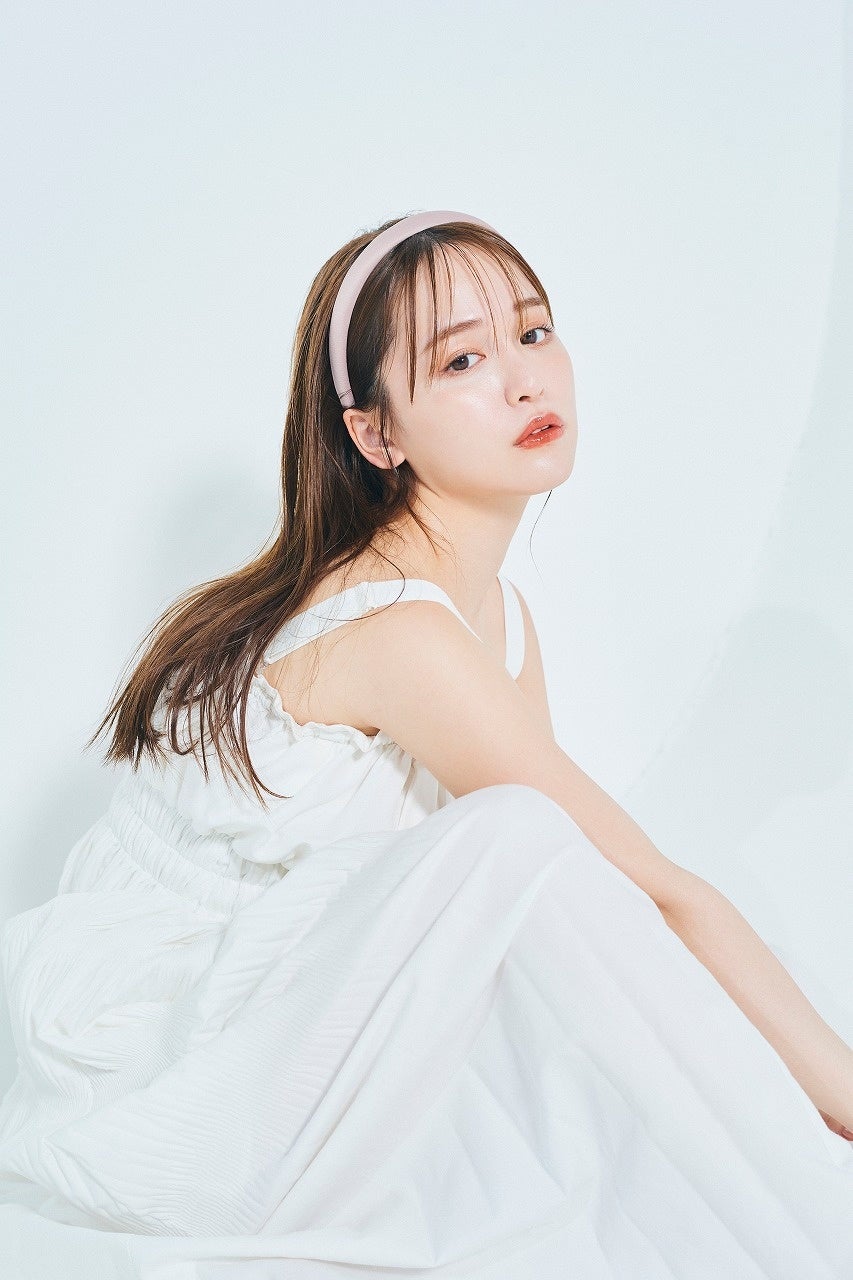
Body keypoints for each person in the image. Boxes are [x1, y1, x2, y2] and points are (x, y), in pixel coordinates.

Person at [0, 208, 850, 1279]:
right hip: (185, 1089)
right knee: (519, 839)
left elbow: (574, 931)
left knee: (558, 953)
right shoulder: (397, 629)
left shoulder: (498, 619)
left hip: (319, 1053)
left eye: (533, 333)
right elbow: (646, 889)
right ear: (376, 436)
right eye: (461, 360)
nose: (523, 381)